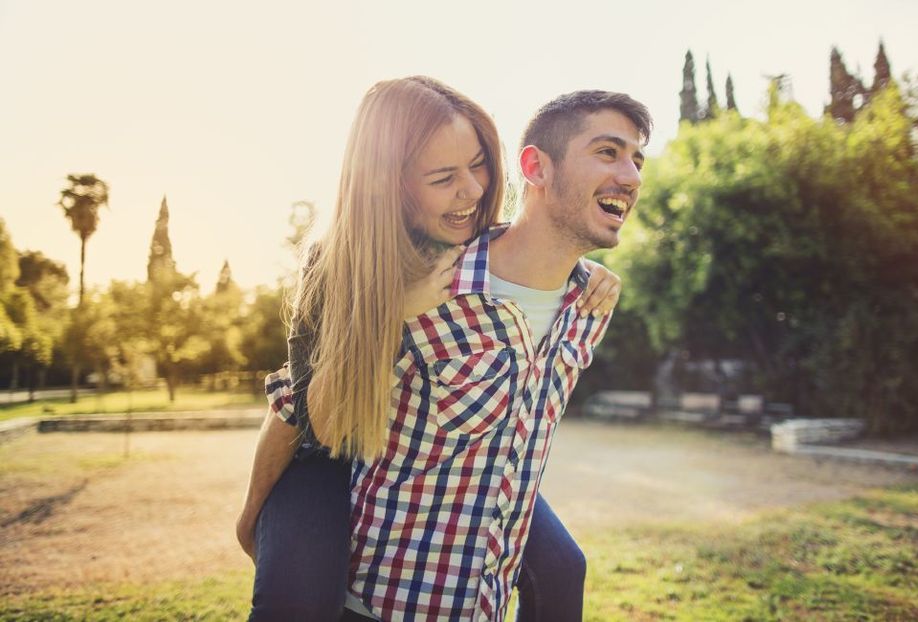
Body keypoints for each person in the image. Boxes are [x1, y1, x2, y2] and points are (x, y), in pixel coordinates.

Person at [237, 77, 630, 621]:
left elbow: (530, 251)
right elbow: (298, 413)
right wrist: (252, 512)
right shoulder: (343, 263)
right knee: (295, 596)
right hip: (327, 447)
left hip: (445, 459)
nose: (471, 190)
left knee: (562, 567)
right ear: (390, 185)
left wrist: (579, 267)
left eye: (479, 165)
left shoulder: (472, 247)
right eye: (443, 177)